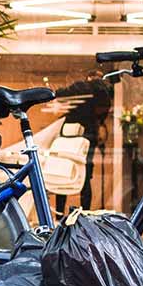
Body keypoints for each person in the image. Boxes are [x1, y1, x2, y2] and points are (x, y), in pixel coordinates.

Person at [51, 70, 113, 217]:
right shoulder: (103, 92)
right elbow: (104, 110)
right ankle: (84, 213)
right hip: (88, 133)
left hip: (70, 133)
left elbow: (60, 95)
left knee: (64, 171)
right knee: (85, 174)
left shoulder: (80, 87)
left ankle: (59, 214)